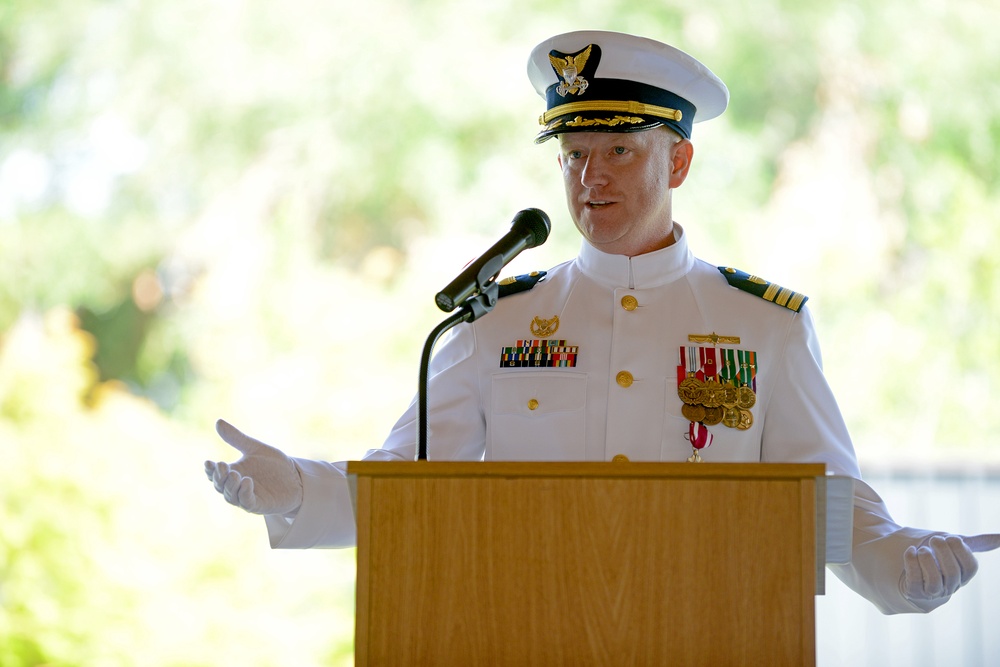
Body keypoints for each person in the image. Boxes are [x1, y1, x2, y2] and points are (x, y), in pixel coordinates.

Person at [205, 30, 992, 614]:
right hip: (524, 637)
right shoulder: (494, 321)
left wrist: (896, 558)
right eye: (575, 153)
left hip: (712, 637)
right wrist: (296, 490)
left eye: (619, 150)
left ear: (677, 162)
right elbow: (408, 483)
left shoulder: (764, 326)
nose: (592, 177)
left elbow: (826, 499)